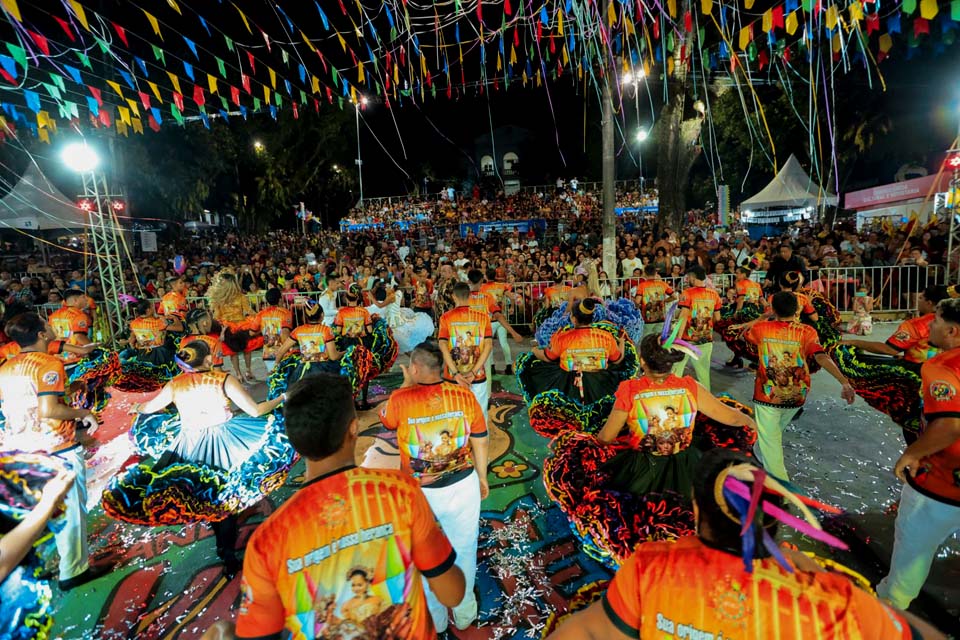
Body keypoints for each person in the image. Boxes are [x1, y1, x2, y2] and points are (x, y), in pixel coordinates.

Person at [546, 449, 944, 640]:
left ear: (696, 509)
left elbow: (584, 632)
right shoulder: (827, 599)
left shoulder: (652, 567)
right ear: (775, 518)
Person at [229, 374, 465, 640]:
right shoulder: (399, 492)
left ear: (293, 441)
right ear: (354, 428)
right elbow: (452, 594)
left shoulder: (267, 540)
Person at [543, 333, 755, 565]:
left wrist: (589, 445)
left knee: (637, 522)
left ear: (642, 361)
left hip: (642, 468)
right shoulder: (690, 387)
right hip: (688, 464)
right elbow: (731, 418)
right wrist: (750, 424)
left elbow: (606, 437)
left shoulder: (631, 390)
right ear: (671, 361)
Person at [104, 340, 289, 576]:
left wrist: (137, 409)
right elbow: (256, 410)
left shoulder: (175, 383)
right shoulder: (222, 379)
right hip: (223, 441)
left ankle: (223, 545)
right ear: (209, 359)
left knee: (203, 492)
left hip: (189, 443)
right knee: (225, 495)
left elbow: (149, 408)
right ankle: (228, 555)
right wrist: (282, 397)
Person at [380, 341, 488, 633]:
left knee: (425, 553)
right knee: (465, 548)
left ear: (415, 369)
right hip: (462, 483)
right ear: (441, 368)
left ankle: (436, 620)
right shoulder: (464, 395)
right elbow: (480, 439)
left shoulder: (400, 399)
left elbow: (386, 421)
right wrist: (482, 476)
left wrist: (404, 385)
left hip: (420, 491)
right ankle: (464, 612)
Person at [0, 313, 101, 591]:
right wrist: (83, 413)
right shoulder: (48, 363)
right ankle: (73, 571)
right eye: (47, 325)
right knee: (70, 509)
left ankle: (36, 565)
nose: (52, 326)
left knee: (37, 512)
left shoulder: (7, 367)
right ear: (42, 334)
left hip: (22, 447)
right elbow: (49, 410)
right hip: (56, 446)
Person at [877, 297, 960, 610]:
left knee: (912, 551)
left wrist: (912, 454)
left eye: (936, 321)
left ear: (951, 331)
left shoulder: (942, 366)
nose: (930, 326)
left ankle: (890, 610)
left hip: (940, 485)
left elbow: (950, 426)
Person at [745, 292, 855, 480]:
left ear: (773, 309)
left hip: (767, 395)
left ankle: (782, 486)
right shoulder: (807, 332)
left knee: (771, 440)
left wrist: (764, 318)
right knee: (772, 433)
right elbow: (821, 356)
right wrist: (843, 381)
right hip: (797, 395)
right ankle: (759, 452)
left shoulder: (761, 328)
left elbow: (747, 336)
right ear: (797, 309)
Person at [837, 285, 948, 439]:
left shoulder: (918, 324)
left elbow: (890, 349)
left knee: (918, 427)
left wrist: (853, 342)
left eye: (921, 297)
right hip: (946, 381)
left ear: (930, 303)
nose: (918, 300)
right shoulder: (952, 323)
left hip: (920, 382)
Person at [438, 282, 493, 421]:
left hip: (453, 377)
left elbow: (442, 345)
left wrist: (456, 373)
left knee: (454, 417)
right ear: (469, 296)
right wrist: (474, 372)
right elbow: (488, 345)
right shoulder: (483, 317)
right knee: (480, 416)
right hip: (477, 376)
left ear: (453, 296)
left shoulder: (445, 318)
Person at [672, 266, 721, 391]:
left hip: (687, 340)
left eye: (689, 277)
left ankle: (673, 397)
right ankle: (706, 400)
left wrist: (677, 338)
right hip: (706, 339)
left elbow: (683, 316)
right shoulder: (714, 294)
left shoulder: (687, 293)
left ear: (693, 277)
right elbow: (717, 318)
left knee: (676, 370)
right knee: (703, 374)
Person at [467, 270, 522, 377]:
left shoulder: (464, 296)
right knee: (503, 343)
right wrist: (514, 332)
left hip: (473, 335)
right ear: (481, 280)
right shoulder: (490, 294)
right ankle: (508, 365)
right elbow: (510, 298)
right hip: (495, 321)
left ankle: (492, 366)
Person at [209, 272, 260, 384]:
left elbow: (248, 310)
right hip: (228, 327)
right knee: (233, 352)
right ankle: (238, 373)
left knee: (247, 349)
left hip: (241, 325)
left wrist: (259, 316)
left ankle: (247, 371)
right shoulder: (219, 299)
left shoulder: (240, 296)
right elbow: (217, 316)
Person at [366, 280, 435, 355]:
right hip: (392, 316)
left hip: (393, 320)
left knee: (395, 336)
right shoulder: (396, 294)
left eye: (388, 287)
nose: (386, 289)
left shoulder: (392, 296)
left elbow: (380, 305)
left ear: (392, 288)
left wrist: (372, 298)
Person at [252, 288, 293, 374]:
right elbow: (285, 334)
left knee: (273, 377)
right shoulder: (285, 313)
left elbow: (252, 332)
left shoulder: (261, 314)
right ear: (280, 299)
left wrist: (263, 329)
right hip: (283, 353)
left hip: (268, 353)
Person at [634, 264, 675, 339]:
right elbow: (674, 296)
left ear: (645, 273)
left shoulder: (642, 285)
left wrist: (636, 308)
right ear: (655, 273)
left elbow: (637, 301)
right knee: (659, 338)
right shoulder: (663, 284)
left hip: (647, 318)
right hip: (661, 317)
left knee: (646, 338)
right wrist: (664, 301)